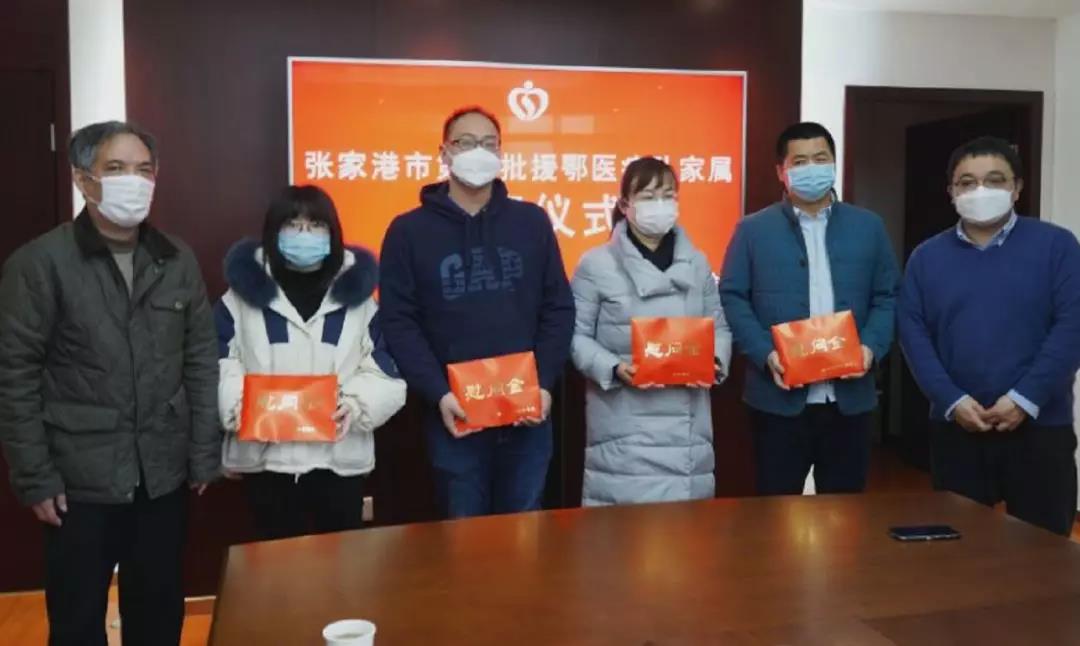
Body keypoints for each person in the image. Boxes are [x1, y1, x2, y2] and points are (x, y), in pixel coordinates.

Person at [0, 121, 220, 645]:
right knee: (77, 623)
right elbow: (15, 375)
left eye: (144, 170)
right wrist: (35, 476)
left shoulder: (175, 259)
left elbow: (200, 360)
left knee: (159, 616)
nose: (133, 181)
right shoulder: (40, 263)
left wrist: (203, 452)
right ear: (84, 179)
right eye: (116, 168)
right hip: (78, 481)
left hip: (161, 475)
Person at [379, 105, 575, 519]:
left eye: (488, 143)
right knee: (463, 531)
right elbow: (399, 322)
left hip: (527, 415)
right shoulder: (407, 231)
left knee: (524, 527)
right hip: (455, 414)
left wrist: (544, 384)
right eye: (466, 143)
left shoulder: (532, 222)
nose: (478, 152)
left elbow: (558, 308)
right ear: (444, 153)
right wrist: (438, 392)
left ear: (501, 153)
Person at [898, 136, 1080, 536]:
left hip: (1040, 427)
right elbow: (913, 334)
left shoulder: (1057, 246)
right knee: (958, 551)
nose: (980, 190)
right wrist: (951, 400)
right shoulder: (926, 257)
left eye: (995, 180)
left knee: (1043, 552)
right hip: (957, 428)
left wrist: (1024, 399)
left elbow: (1072, 327)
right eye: (967, 182)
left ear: (1017, 188)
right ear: (951, 192)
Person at [215, 185, 407, 540]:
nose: (304, 234)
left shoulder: (361, 301)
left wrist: (354, 406)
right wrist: (240, 407)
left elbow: (385, 370)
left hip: (338, 462)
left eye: (316, 225)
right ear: (273, 232)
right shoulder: (239, 299)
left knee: (341, 568)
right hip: (265, 462)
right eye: (293, 224)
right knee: (272, 566)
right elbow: (218, 362)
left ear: (332, 232)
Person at [719, 121, 899, 496]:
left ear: (833, 163)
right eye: (800, 162)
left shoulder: (869, 227)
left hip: (849, 400)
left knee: (846, 511)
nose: (811, 168)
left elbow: (888, 296)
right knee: (774, 509)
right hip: (777, 399)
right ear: (781, 172)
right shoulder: (752, 230)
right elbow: (733, 297)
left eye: (820, 158)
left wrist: (870, 347)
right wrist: (765, 354)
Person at [570, 158, 732, 506]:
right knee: (625, 532)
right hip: (624, 427)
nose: (660, 204)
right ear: (624, 204)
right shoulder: (596, 264)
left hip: (687, 432)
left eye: (668, 195)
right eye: (648, 196)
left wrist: (715, 361)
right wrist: (614, 367)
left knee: (686, 532)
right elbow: (575, 337)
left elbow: (719, 326)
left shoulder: (698, 263)